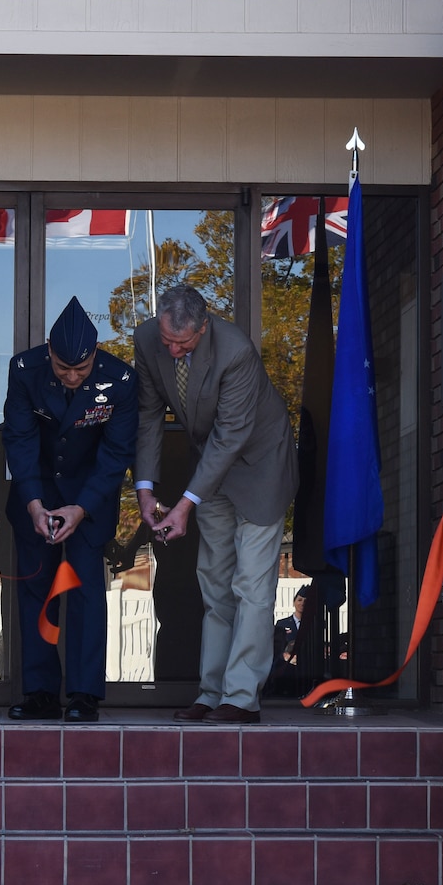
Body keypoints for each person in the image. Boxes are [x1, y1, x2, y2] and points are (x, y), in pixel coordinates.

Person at [133, 284, 297, 725]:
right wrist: (146, 489)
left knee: (251, 586)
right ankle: (211, 693)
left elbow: (230, 437)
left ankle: (241, 699)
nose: (172, 349)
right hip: (210, 465)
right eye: (167, 339)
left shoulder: (236, 351)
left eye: (182, 343)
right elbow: (149, 415)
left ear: (204, 328)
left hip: (258, 462)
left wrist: (183, 505)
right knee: (213, 581)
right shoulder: (148, 340)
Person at [2, 297, 138, 723]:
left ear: (96, 354)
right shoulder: (25, 370)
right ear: (49, 351)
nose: (73, 376)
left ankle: (83, 693)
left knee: (84, 593)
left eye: (81, 368)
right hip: (36, 490)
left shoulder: (120, 378)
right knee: (36, 592)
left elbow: (117, 453)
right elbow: (19, 439)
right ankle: (40, 690)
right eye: (64, 368)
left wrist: (81, 507)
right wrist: (34, 504)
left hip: (89, 496)